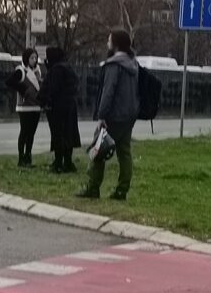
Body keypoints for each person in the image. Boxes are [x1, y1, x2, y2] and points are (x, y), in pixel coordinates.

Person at [78, 28, 139, 201]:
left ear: (116, 44)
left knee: (99, 149)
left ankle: (93, 187)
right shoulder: (133, 64)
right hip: (128, 115)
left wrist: (101, 115)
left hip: (113, 115)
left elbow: (108, 91)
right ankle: (122, 189)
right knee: (124, 152)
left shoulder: (114, 65)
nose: (107, 43)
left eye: (109, 40)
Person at [38, 47, 81, 173]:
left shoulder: (56, 70)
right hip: (70, 106)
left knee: (58, 135)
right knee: (69, 134)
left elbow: (52, 88)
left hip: (58, 107)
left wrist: (45, 101)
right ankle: (68, 162)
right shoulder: (67, 68)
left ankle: (58, 163)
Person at [6, 48, 42, 166]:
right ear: (26, 58)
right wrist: (22, 90)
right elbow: (9, 82)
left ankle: (28, 157)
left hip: (36, 106)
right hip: (25, 107)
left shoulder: (37, 71)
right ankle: (21, 159)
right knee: (24, 132)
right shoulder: (21, 70)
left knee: (31, 134)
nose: (34, 60)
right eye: (32, 58)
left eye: (35, 57)